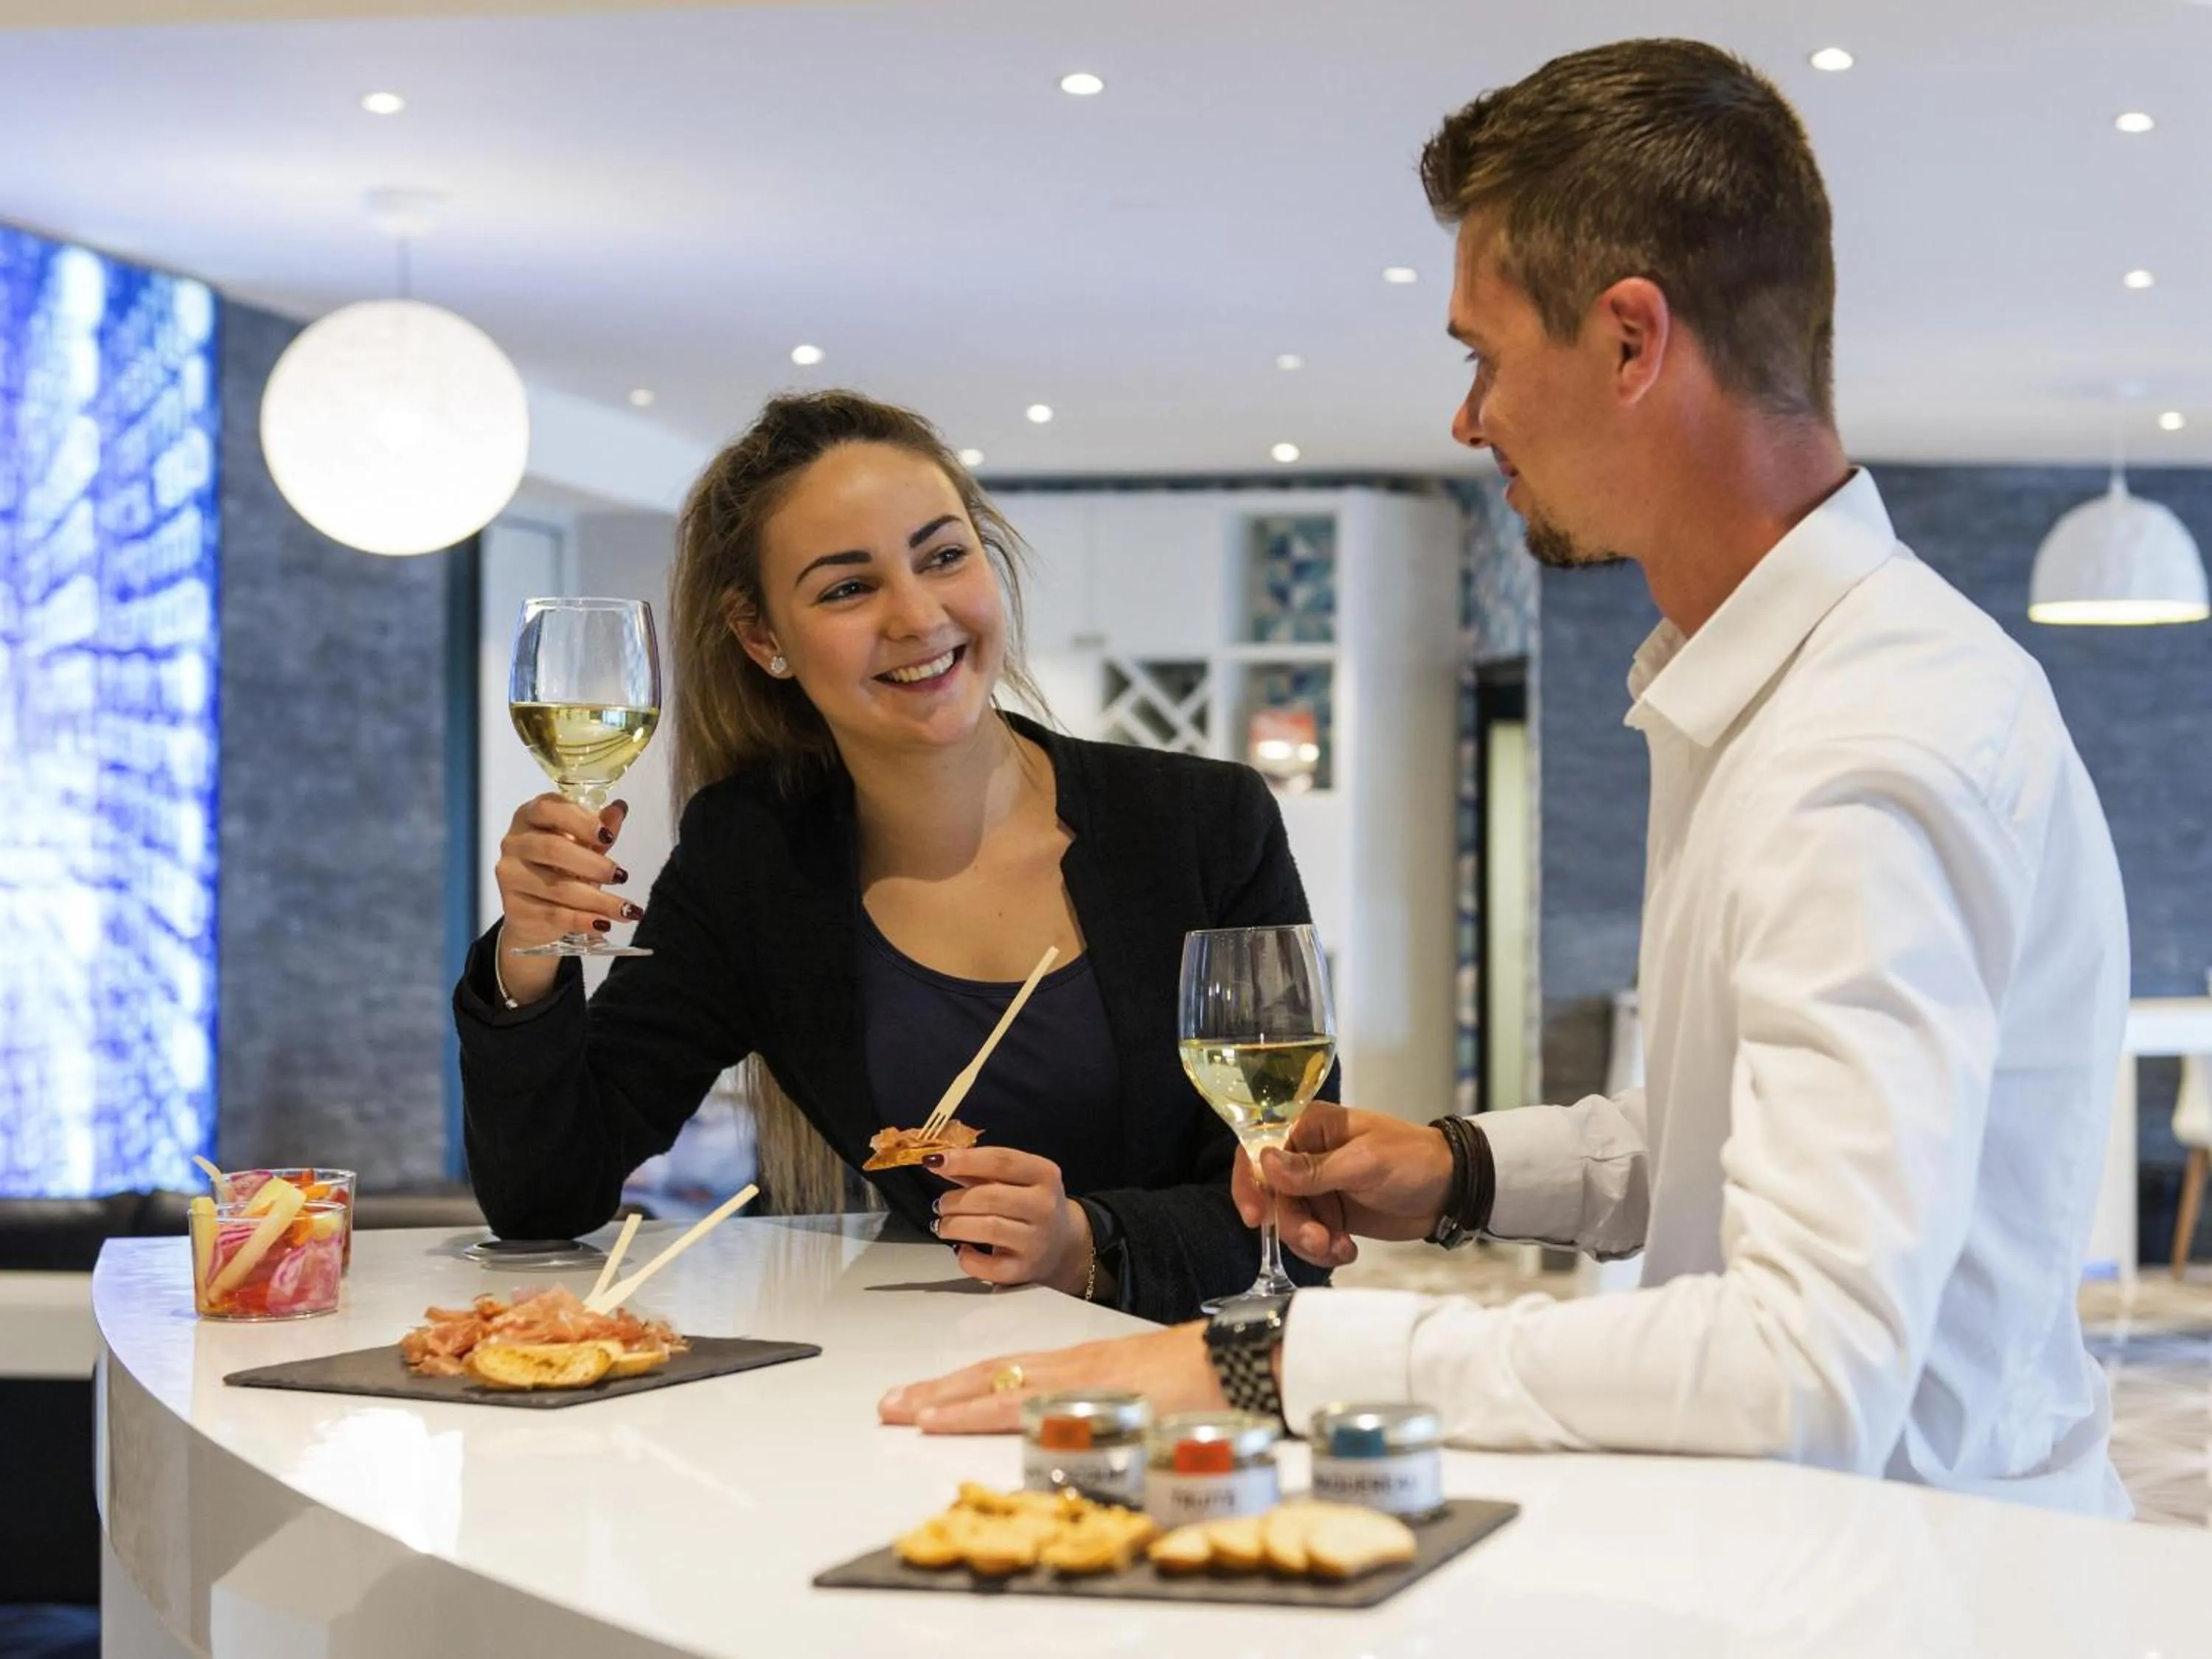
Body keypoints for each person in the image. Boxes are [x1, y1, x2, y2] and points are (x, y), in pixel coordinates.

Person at [881, 38, 2132, 1518]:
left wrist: (1268, 1360)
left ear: (1630, 342)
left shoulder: (1863, 745)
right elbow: (1728, 1147)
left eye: (1482, 356)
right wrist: (1459, 1168)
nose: (1468, 419)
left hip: (1923, 1575)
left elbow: (1807, 1368)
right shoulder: (1778, 688)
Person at [456, 390, 1327, 1322]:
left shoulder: (1200, 822)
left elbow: (1299, 1215)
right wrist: (528, 957)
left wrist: (1087, 1244)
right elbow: (545, 1197)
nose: (916, 616)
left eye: (943, 557)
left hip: (1191, 1384)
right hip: (913, 1384)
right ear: (762, 637)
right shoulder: (754, 858)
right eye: (848, 588)